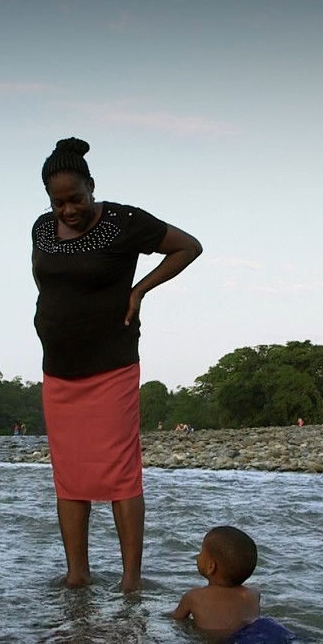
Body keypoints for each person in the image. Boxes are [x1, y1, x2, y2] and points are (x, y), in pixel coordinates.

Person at [33, 137, 202, 593]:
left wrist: (140, 288)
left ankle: (130, 580)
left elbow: (188, 246)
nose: (67, 209)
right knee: (69, 473)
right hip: (59, 370)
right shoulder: (41, 229)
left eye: (76, 199)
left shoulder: (125, 222)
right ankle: (78, 573)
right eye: (57, 202)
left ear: (92, 187)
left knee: (121, 471)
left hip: (111, 366)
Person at [171, 526, 294, 644]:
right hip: (260, 634)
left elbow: (176, 620)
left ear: (211, 567)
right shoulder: (253, 595)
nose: (198, 556)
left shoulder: (193, 597)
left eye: (202, 552)